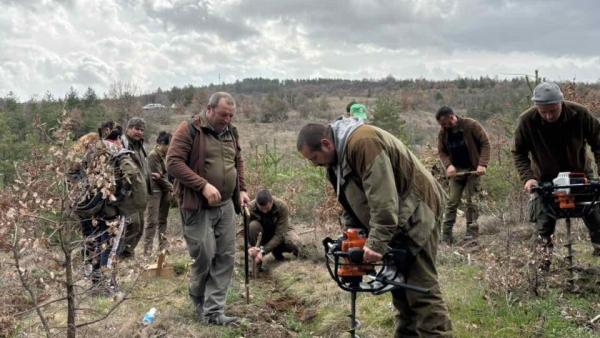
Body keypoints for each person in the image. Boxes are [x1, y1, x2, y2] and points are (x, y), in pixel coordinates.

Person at [297, 118, 452, 337]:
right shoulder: (335, 162)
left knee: (420, 286)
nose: (315, 164)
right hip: (396, 218)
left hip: (417, 210)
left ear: (326, 144)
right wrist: (353, 235)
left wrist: (377, 243)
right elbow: (350, 203)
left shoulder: (364, 143)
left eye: (314, 158)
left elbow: (383, 199)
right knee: (398, 285)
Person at [167, 91, 249, 326]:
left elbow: (238, 160)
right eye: (224, 114)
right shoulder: (190, 129)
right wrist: (202, 185)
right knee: (204, 256)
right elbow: (172, 163)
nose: (228, 120)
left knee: (225, 256)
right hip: (197, 206)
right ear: (209, 109)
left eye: (231, 115)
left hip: (225, 205)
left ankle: (214, 311)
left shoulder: (231, 132)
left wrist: (242, 189)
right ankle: (197, 296)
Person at [513, 81, 600, 260]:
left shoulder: (580, 114)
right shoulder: (527, 120)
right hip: (546, 179)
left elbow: (598, 143)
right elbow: (519, 152)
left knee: (597, 217)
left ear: (561, 102)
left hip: (580, 175)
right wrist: (528, 178)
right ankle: (541, 272)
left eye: (553, 110)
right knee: (543, 226)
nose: (548, 116)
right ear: (536, 106)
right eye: (543, 111)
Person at [436, 106, 490, 244]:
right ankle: (446, 237)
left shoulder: (471, 125)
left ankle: (471, 235)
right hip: (457, 172)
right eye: (442, 125)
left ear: (452, 117)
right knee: (452, 202)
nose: (444, 127)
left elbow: (485, 144)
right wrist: (448, 165)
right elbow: (442, 152)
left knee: (472, 202)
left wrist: (482, 164)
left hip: (473, 170)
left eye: (446, 124)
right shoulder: (443, 133)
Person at [118, 117, 152, 258]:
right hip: (127, 195)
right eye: (136, 129)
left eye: (142, 130)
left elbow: (143, 168)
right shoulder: (122, 145)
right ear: (128, 129)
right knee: (131, 226)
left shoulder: (141, 147)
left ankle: (127, 254)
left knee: (139, 228)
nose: (139, 132)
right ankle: (120, 256)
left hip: (141, 194)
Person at [247, 189, 299, 271]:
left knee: (294, 241)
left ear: (271, 202)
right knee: (252, 226)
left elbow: (280, 234)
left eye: (267, 208)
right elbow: (243, 231)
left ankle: (277, 251)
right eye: (261, 209)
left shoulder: (281, 206)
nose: (264, 211)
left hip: (278, 233)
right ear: (257, 204)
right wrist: (250, 248)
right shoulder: (249, 208)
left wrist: (263, 251)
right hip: (262, 235)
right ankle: (256, 264)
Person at [143, 131, 173, 255]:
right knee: (152, 221)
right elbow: (158, 178)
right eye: (169, 145)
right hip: (154, 191)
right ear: (162, 143)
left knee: (162, 220)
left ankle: (162, 249)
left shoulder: (166, 156)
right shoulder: (153, 155)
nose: (170, 148)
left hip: (165, 191)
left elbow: (165, 175)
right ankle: (147, 251)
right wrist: (173, 188)